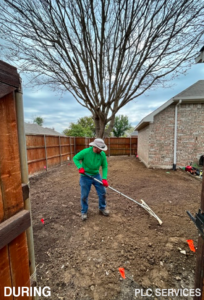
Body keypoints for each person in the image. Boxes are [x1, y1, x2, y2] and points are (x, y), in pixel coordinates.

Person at [73, 138, 109, 221]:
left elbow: (104, 166)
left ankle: (102, 208)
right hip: (85, 176)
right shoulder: (85, 152)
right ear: (95, 147)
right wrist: (80, 167)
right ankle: (84, 212)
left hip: (96, 175)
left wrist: (104, 178)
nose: (102, 150)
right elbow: (75, 158)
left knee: (102, 192)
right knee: (84, 195)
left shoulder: (102, 154)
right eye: (101, 148)